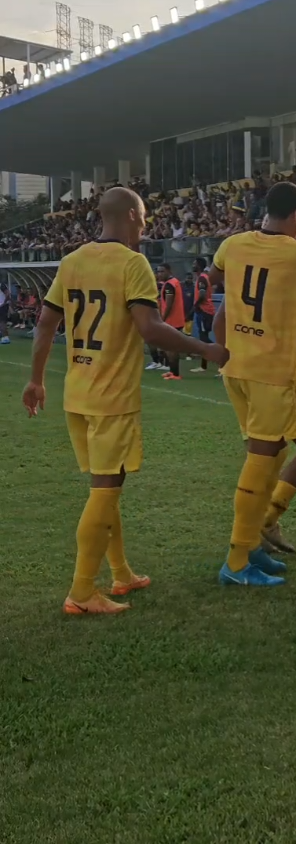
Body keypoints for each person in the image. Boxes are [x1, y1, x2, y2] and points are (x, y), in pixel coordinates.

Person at [21, 187, 227, 616]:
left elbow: (44, 324)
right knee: (105, 490)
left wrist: (36, 381)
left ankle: (121, 572)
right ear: (133, 215)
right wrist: (204, 349)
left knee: (107, 486)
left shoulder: (73, 260)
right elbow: (149, 329)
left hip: (76, 394)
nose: (147, 222)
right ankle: (81, 591)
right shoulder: (133, 264)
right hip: (111, 397)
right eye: (145, 215)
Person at [208, 182, 296, 587]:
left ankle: (256, 539)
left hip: (239, 366)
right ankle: (237, 559)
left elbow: (214, 279)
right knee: (262, 460)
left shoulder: (233, 244)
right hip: (269, 371)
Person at [156, 263, 185, 380]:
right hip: (176, 319)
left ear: (168, 271)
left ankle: (176, 373)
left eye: (162, 271)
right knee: (170, 348)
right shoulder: (174, 282)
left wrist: (162, 320)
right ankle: (173, 371)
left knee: (171, 349)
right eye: (158, 272)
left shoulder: (169, 285)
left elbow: (169, 304)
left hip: (172, 320)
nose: (159, 274)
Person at [189, 257, 216, 373]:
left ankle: (221, 355)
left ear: (199, 265)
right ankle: (203, 366)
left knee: (204, 338)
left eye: (194, 264)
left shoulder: (201, 278)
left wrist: (196, 305)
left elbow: (202, 294)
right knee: (203, 337)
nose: (192, 266)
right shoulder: (203, 277)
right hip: (205, 311)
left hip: (205, 310)